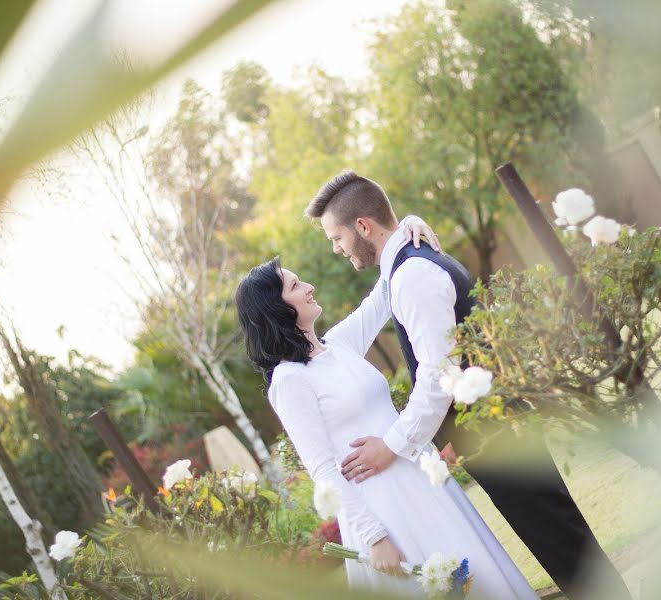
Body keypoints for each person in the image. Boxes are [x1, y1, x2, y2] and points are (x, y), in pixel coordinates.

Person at [304, 170, 632, 600]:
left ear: (362, 226)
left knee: (564, 545)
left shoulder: (412, 276)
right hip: (494, 429)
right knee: (564, 541)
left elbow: (438, 375)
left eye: (337, 237)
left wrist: (392, 444)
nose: (337, 248)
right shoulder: (406, 267)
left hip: (499, 434)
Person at [235, 217, 538, 599]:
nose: (309, 288)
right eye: (296, 286)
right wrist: (374, 537)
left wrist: (404, 226)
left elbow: (383, 293)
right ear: (274, 308)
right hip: (386, 510)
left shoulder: (337, 345)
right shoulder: (290, 380)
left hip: (421, 479)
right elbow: (323, 468)